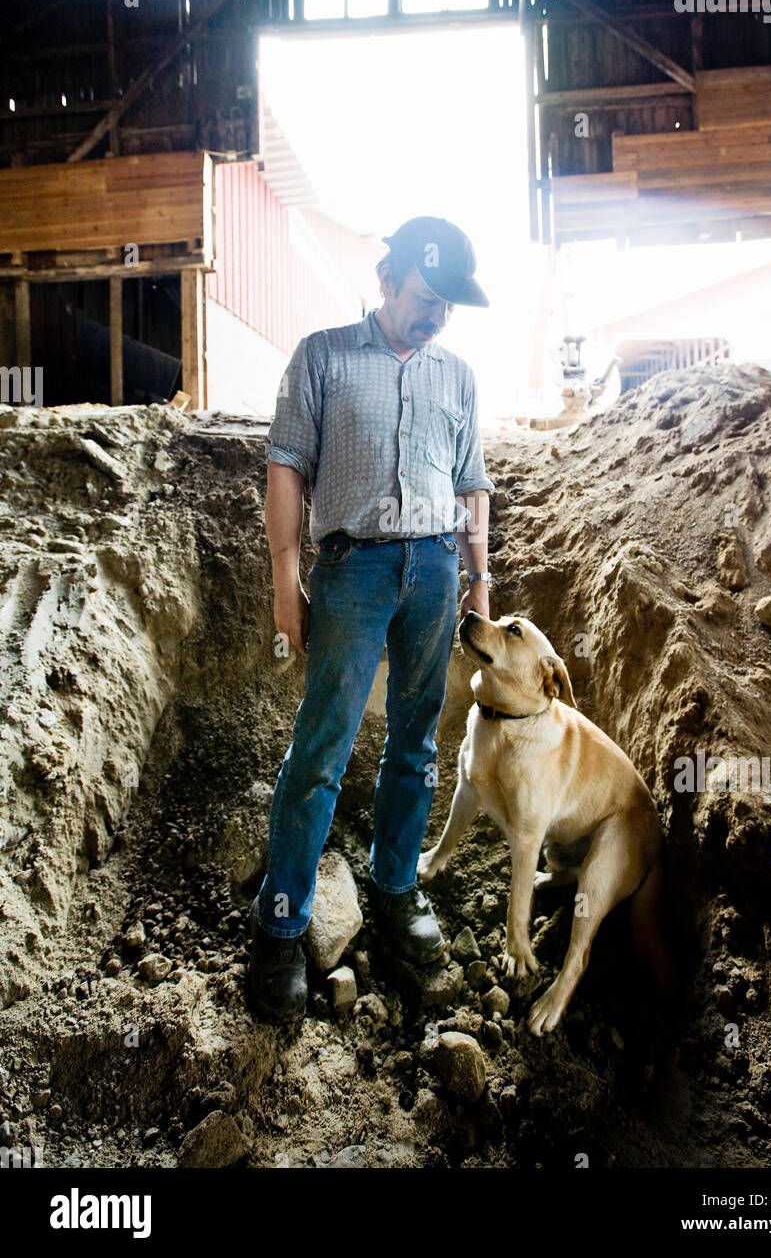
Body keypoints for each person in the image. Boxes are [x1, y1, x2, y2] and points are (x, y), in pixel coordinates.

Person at [248, 216, 495, 1024]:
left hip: (433, 570)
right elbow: (286, 465)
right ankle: (282, 922)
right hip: (351, 569)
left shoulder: (457, 375)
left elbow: (471, 485)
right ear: (389, 280)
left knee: (417, 742)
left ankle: (395, 886)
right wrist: (288, 583)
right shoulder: (322, 356)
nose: (436, 317)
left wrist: (479, 580)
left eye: (448, 307)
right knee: (322, 745)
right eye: (427, 298)